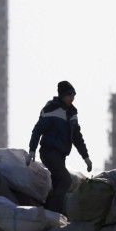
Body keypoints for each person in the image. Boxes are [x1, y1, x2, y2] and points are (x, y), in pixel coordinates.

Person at [28, 80, 91, 214]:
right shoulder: (51, 110)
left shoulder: (72, 113)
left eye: (74, 94)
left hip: (61, 155)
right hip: (49, 152)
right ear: (63, 95)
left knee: (57, 182)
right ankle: (53, 212)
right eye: (70, 94)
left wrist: (86, 157)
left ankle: (47, 209)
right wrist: (32, 150)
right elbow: (37, 130)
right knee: (65, 179)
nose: (72, 97)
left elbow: (77, 137)